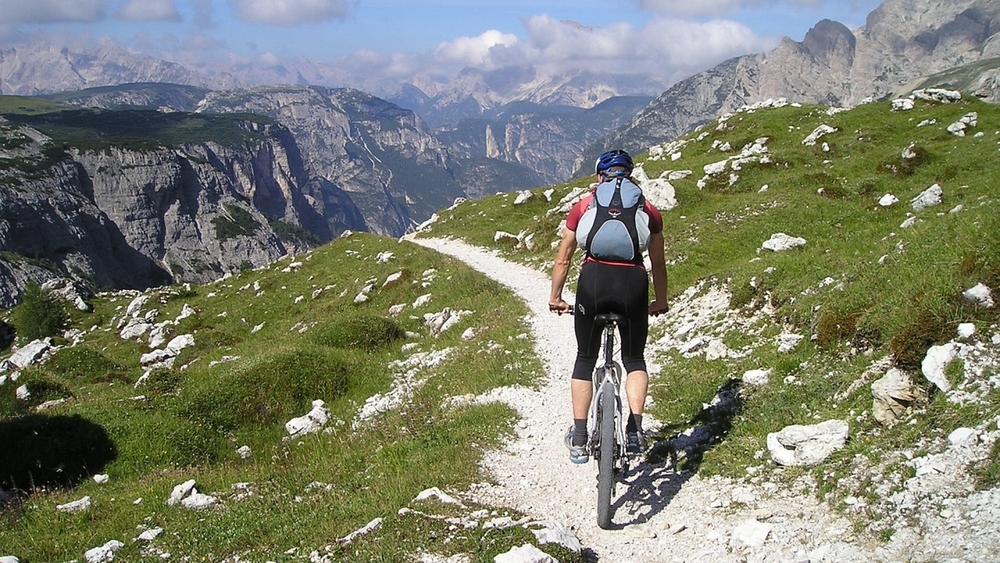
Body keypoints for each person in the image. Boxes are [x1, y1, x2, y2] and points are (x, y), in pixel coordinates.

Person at [548, 149, 669, 464]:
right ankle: (635, 431)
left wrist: (556, 297)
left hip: (593, 282)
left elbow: (563, 259)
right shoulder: (648, 209)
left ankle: (579, 437)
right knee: (634, 359)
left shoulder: (584, 205)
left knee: (585, 358)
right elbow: (658, 263)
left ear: (599, 176)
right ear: (629, 176)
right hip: (633, 284)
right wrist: (661, 300)